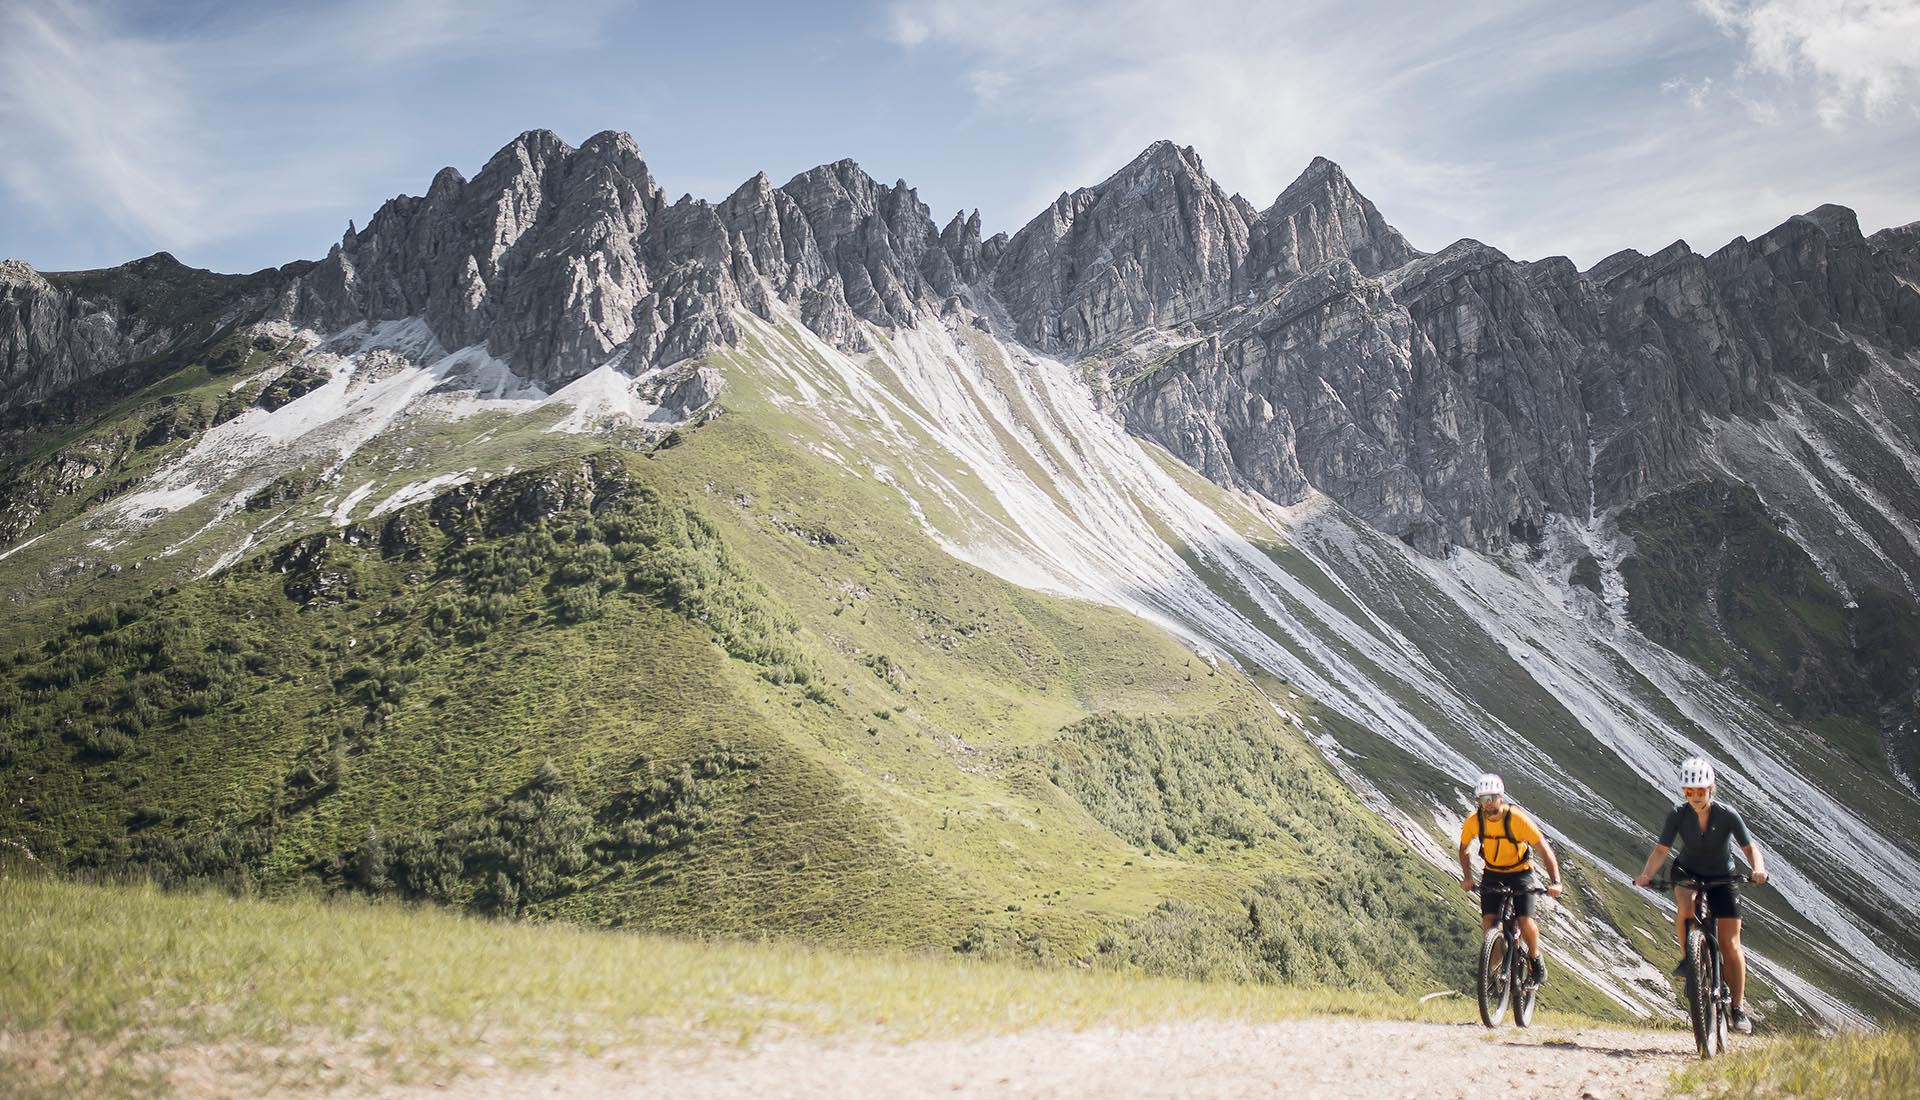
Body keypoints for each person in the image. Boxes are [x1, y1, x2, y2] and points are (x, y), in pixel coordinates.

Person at [1633, 756, 1769, 1034]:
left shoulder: (1727, 814)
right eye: (1689, 791)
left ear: (1711, 788)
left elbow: (1750, 847)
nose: (1695, 796)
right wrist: (1646, 874)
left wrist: (1758, 868)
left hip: (1723, 876)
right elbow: (1661, 850)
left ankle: (1738, 1008)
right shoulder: (1677, 815)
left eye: (1700, 790)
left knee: (1731, 944)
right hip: (1688, 871)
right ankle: (1690, 963)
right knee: (1686, 904)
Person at [1458, 773, 1564, 986]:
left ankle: (1535, 960)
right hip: (1493, 872)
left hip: (1521, 873)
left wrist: (1556, 882)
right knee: (1489, 921)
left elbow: (1544, 850)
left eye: (1491, 798)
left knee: (1525, 920)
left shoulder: (1517, 819)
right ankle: (1494, 973)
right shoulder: (1474, 821)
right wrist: (1468, 877)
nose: (1487, 804)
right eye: (1482, 799)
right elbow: (1464, 849)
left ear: (1501, 797)